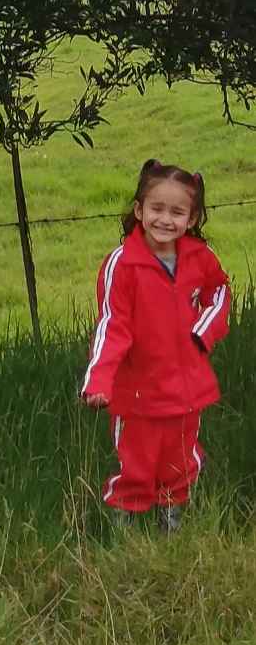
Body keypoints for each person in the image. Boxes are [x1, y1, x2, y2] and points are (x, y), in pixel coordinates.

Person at [81, 160, 231, 532]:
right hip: (138, 392)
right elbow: (112, 325)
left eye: (177, 212)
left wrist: (202, 333)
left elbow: (218, 293)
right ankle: (124, 532)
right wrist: (99, 380)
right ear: (139, 210)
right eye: (157, 209)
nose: (165, 219)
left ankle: (171, 528)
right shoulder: (122, 264)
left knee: (180, 461)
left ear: (191, 219)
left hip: (186, 388)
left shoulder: (200, 258)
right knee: (137, 464)